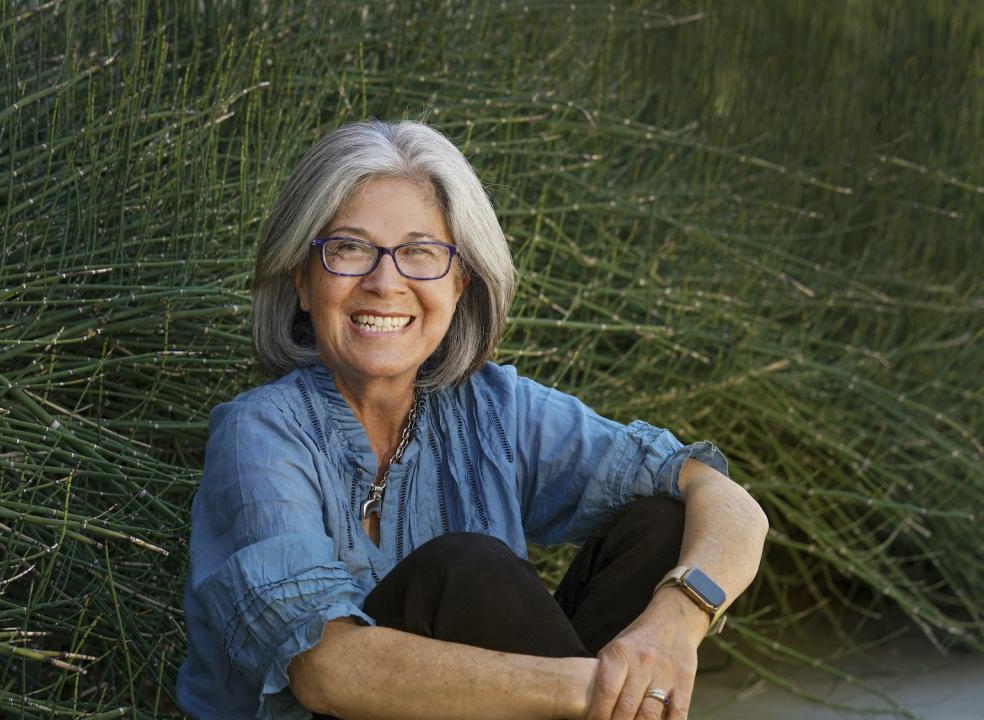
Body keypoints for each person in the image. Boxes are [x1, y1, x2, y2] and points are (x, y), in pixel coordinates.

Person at [176, 120, 768, 720]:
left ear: (460, 284)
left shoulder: (490, 407)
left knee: (663, 526)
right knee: (466, 572)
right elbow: (327, 671)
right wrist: (599, 690)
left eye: (420, 253)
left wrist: (674, 623)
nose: (386, 283)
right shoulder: (260, 434)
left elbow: (723, 498)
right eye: (349, 248)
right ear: (302, 280)